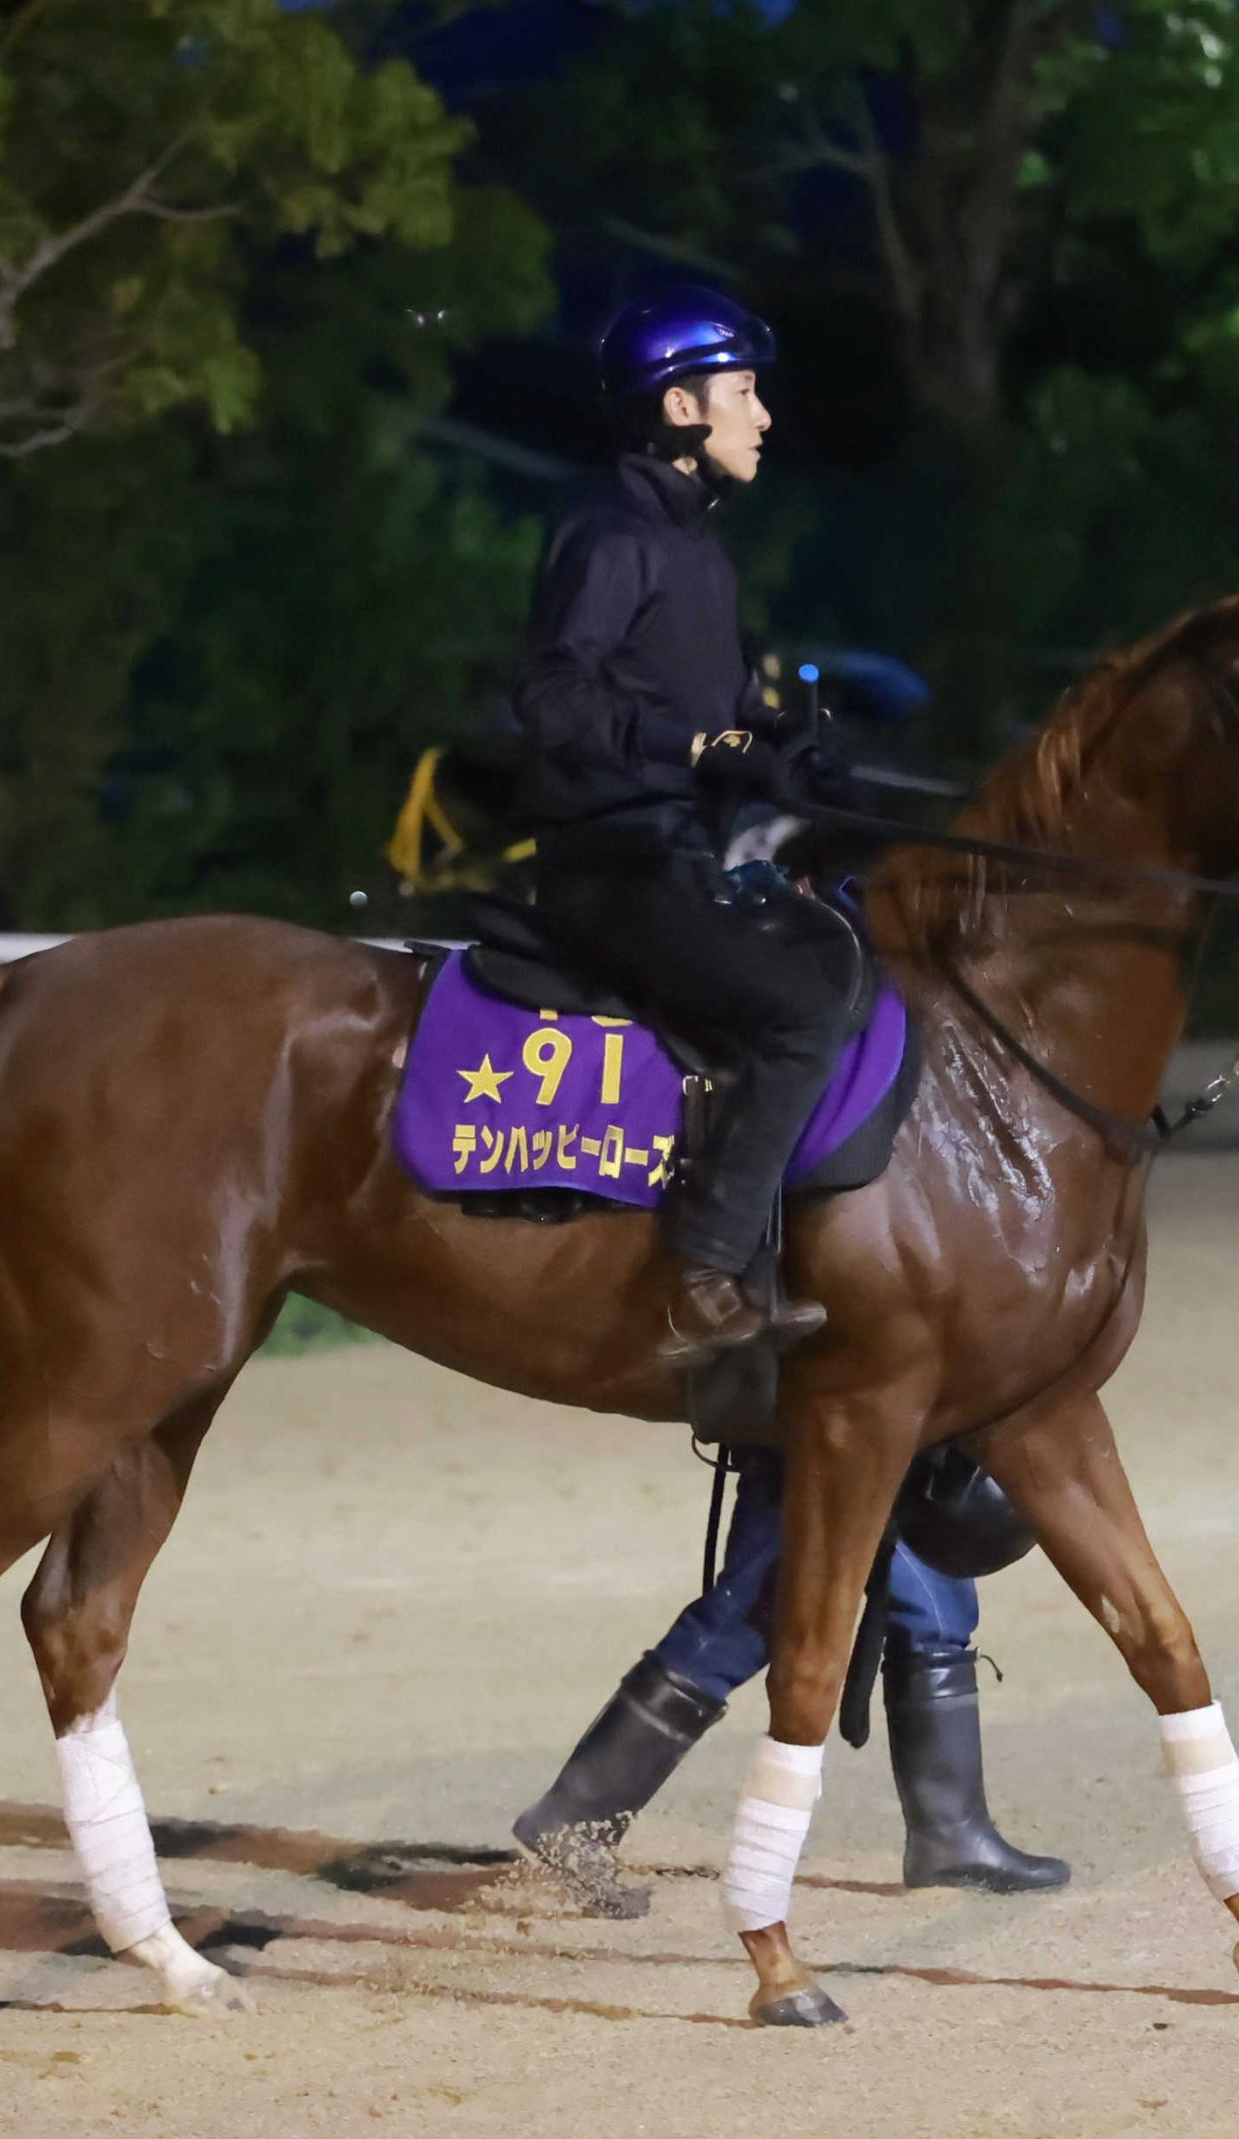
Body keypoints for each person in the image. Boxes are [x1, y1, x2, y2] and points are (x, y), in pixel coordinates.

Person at [514, 284, 859, 1363]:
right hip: (612, 863)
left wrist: (774, 742)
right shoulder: (612, 538)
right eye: (743, 392)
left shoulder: (693, 550)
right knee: (803, 1009)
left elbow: (704, 714)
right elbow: (555, 702)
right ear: (678, 409)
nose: (763, 416)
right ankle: (702, 1271)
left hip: (677, 852)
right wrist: (695, 747)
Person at [513, 1446, 1069, 1916]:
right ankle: (576, 1821)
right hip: (826, 1415)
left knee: (936, 1613)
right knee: (759, 1610)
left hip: (899, 1427)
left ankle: (952, 1834)